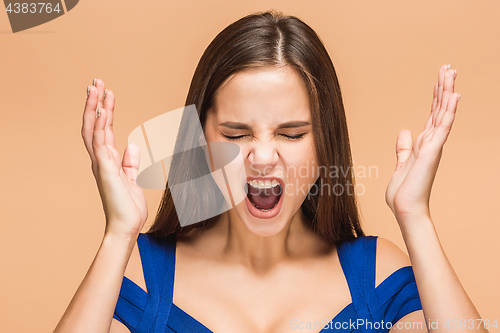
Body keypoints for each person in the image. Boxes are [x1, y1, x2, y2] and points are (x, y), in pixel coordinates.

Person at [54, 10, 487, 333]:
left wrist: (416, 217)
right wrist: (118, 235)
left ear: (325, 145)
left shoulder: (376, 275)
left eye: (292, 133)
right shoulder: (138, 275)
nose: (261, 157)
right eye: (236, 134)